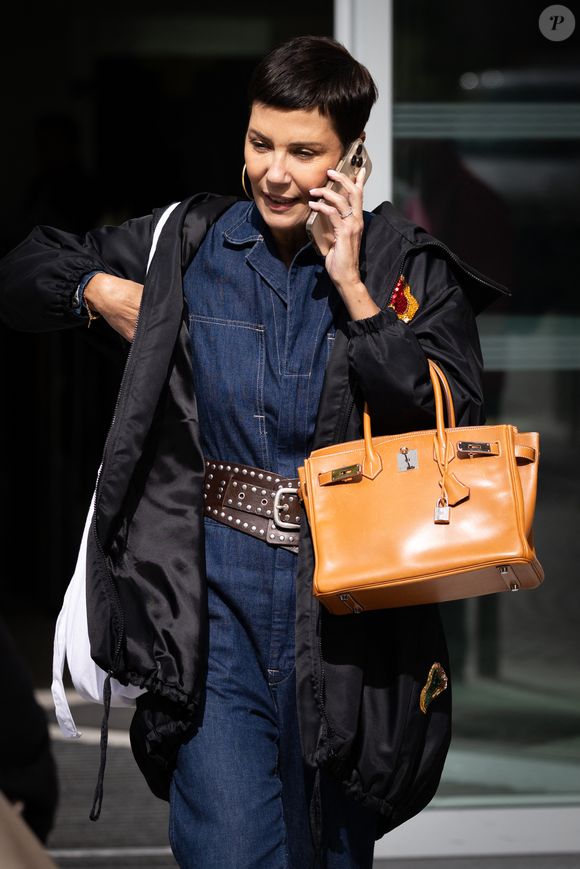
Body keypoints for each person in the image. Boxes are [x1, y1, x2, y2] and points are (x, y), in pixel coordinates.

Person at [0, 35, 507, 869]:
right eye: (259, 142)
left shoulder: (404, 266)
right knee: (230, 848)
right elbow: (22, 271)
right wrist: (101, 291)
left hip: (349, 611)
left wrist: (356, 293)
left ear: (352, 156)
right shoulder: (188, 243)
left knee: (327, 849)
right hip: (212, 604)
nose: (274, 172)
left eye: (303, 152)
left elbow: (449, 419)